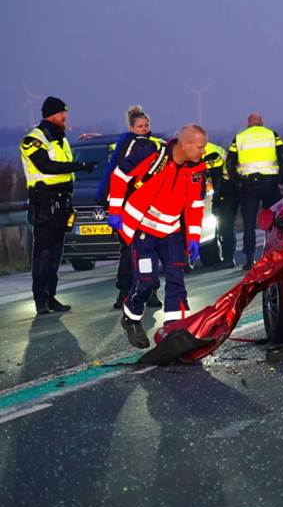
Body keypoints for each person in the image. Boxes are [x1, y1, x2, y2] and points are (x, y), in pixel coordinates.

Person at [107, 125, 208, 348]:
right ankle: (131, 317)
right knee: (147, 280)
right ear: (184, 145)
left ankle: (176, 331)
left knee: (176, 280)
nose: (203, 152)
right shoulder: (152, 155)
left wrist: (193, 237)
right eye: (200, 147)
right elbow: (120, 175)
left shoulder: (197, 170)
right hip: (142, 228)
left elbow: (195, 205)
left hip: (171, 232)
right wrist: (115, 210)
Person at [20, 97, 98, 314]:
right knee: (43, 253)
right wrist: (79, 166)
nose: (66, 117)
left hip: (62, 201)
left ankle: (51, 296)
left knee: (55, 254)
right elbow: (45, 166)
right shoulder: (32, 139)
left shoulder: (59, 139)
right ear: (52, 114)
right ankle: (40, 299)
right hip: (44, 202)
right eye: (62, 113)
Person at [99, 105, 163, 310]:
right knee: (130, 250)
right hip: (127, 205)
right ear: (131, 127)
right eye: (140, 126)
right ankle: (126, 291)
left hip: (144, 205)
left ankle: (149, 291)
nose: (144, 129)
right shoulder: (132, 146)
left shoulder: (148, 145)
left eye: (146, 126)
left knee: (147, 249)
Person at [226, 114, 283, 270]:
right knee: (276, 220)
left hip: (248, 186)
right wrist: (281, 180)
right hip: (270, 184)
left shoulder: (240, 137)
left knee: (249, 223)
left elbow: (230, 162)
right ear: (262, 123)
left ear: (248, 123)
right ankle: (276, 255)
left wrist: (237, 182)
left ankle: (249, 259)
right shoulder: (272, 135)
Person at [204, 141, 239, 266]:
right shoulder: (210, 147)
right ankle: (228, 257)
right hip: (229, 187)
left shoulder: (210, 152)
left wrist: (216, 204)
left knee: (225, 224)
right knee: (226, 224)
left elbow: (217, 180)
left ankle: (229, 258)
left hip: (226, 188)